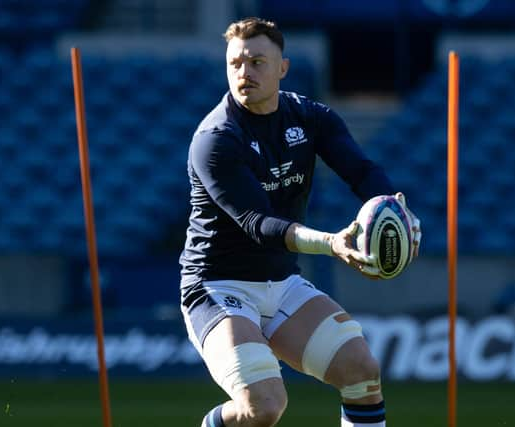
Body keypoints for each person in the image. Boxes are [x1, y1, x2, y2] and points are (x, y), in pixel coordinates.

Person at [179, 17, 421, 427]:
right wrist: (333, 244)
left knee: (361, 370)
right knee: (264, 407)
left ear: (283, 68)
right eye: (235, 63)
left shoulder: (310, 117)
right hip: (217, 286)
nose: (244, 72)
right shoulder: (216, 138)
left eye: (257, 62)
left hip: (281, 283)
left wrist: (395, 207)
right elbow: (259, 224)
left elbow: (361, 171)